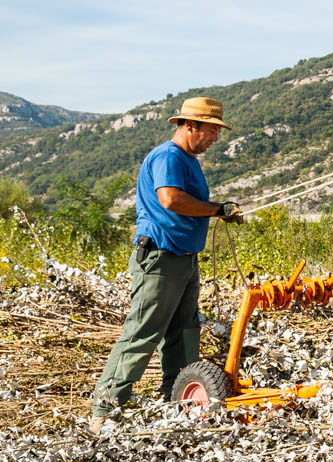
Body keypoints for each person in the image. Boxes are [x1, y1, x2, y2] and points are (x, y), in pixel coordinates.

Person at [89, 97, 245, 435]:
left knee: (184, 331)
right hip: (160, 258)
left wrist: (219, 210)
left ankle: (178, 399)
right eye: (211, 131)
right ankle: (105, 408)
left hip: (184, 258)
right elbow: (170, 199)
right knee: (143, 332)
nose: (215, 138)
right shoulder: (168, 156)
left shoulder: (188, 159)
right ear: (190, 126)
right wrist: (217, 209)